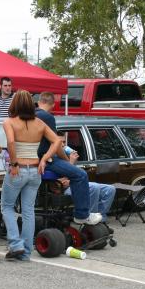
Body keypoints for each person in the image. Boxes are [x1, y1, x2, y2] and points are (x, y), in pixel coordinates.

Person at [0, 90, 61, 261]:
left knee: (7, 207)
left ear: (14, 104)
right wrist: (45, 159)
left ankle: (15, 244)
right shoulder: (40, 123)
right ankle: (26, 252)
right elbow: (57, 140)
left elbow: (11, 142)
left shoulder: (9, 122)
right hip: (35, 170)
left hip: (18, 169)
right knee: (28, 210)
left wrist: (13, 164)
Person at [36, 92, 101, 225]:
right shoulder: (47, 117)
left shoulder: (30, 114)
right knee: (81, 175)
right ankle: (82, 215)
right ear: (53, 105)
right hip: (46, 160)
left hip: (30, 159)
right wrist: (67, 161)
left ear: (39, 101)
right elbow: (56, 144)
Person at [59, 133, 116, 231]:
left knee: (110, 189)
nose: (63, 145)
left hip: (77, 183)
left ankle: (100, 220)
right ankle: (89, 221)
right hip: (66, 188)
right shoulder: (54, 158)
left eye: (64, 142)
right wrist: (71, 163)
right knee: (93, 187)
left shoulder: (66, 156)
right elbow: (61, 182)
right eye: (60, 142)